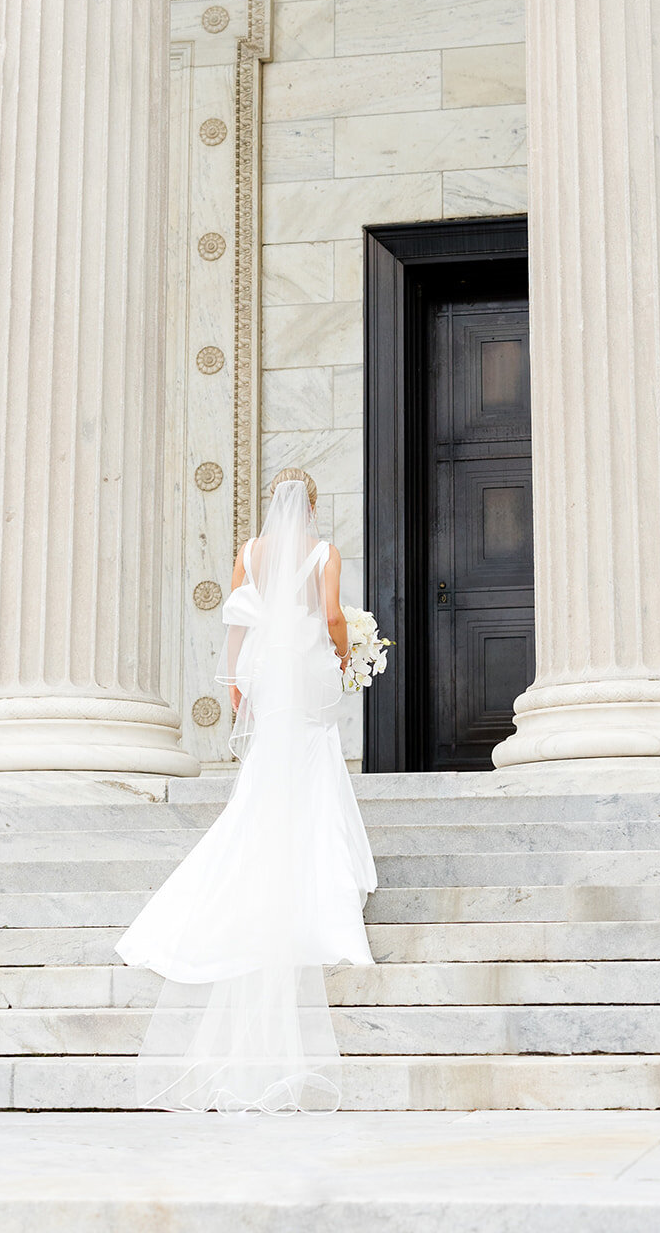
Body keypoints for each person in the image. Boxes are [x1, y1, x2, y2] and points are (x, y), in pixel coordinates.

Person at [114, 468, 377, 1112]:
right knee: (317, 759)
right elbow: (335, 615)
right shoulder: (324, 553)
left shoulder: (248, 553)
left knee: (267, 777)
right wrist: (348, 655)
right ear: (312, 505)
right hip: (310, 672)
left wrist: (237, 690)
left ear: (272, 506)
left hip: (266, 677)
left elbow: (238, 622)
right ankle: (326, 875)